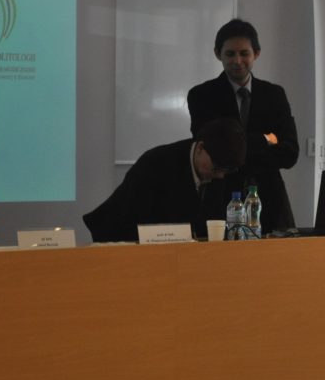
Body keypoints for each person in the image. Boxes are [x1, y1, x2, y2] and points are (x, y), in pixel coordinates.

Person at [187, 18, 299, 234]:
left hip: (270, 203)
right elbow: (211, 150)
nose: (237, 61)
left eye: (244, 53)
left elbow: (290, 153)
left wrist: (236, 148)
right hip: (219, 201)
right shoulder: (202, 95)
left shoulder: (274, 94)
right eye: (230, 54)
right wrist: (266, 140)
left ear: (256, 53)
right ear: (217, 54)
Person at [83, 118, 246, 242]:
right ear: (200, 148)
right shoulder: (156, 164)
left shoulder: (218, 167)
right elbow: (142, 223)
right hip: (122, 239)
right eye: (216, 168)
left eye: (225, 171)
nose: (220, 176)